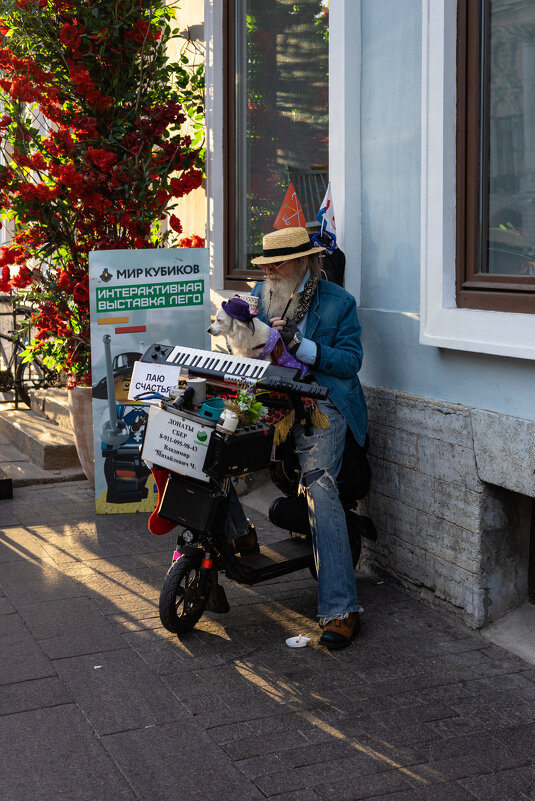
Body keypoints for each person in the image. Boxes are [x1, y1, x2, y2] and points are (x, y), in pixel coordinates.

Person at [247, 225, 368, 649]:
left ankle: (341, 608)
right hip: (273, 397)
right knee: (213, 448)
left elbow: (351, 362)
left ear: (303, 262)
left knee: (320, 486)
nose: (270, 271)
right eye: (267, 265)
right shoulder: (260, 298)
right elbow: (250, 347)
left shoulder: (339, 302)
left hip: (324, 403)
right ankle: (233, 539)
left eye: (278, 264)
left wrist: (302, 345)